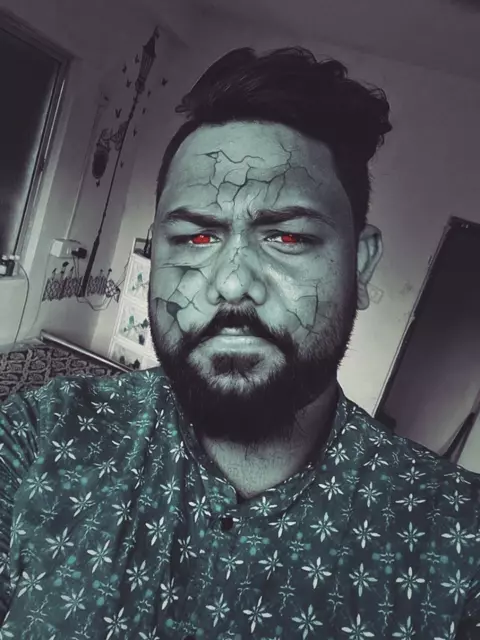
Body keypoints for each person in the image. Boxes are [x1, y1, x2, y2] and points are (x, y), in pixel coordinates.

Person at [0, 46, 479, 640]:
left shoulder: (457, 538)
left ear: (360, 263)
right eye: (196, 238)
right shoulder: (42, 440)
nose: (230, 284)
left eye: (287, 237)